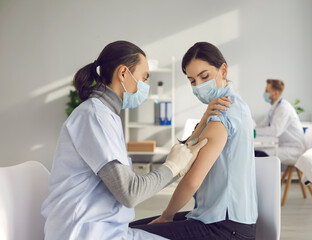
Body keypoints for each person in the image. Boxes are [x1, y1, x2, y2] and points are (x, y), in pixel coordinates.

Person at [41, 40, 208, 240]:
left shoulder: (106, 115)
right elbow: (130, 193)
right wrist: (172, 166)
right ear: (123, 74)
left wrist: (178, 169)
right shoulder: (94, 115)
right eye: (144, 78)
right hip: (85, 233)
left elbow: (127, 186)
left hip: (104, 230)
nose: (145, 86)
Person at [130, 42, 258, 240]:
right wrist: (205, 117)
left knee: (129, 235)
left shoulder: (224, 112)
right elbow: (186, 153)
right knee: (130, 229)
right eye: (192, 80)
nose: (198, 85)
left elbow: (191, 180)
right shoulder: (223, 108)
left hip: (226, 228)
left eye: (204, 76)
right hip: (215, 220)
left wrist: (167, 216)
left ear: (223, 70)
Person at [255, 79, 306, 163]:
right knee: (256, 149)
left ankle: (264, 176)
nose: (265, 93)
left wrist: (254, 131)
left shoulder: (283, 108)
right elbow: (264, 124)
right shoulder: (275, 108)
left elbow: (275, 131)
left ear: (276, 93)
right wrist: (252, 129)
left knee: (259, 154)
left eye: (267, 91)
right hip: (283, 145)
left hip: (294, 150)